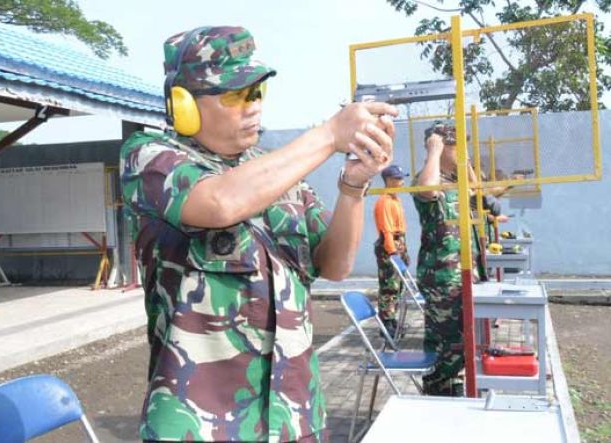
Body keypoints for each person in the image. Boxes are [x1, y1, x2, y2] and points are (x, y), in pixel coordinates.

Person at [120, 26, 397, 442]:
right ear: (183, 104)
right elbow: (219, 203)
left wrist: (353, 186)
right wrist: (327, 134)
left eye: (256, 93)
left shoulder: (277, 172)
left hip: (293, 416)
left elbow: (336, 265)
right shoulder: (149, 158)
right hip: (200, 424)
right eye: (234, 96)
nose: (252, 107)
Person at [412, 121, 481, 397]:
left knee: (460, 342)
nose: (463, 152)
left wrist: (464, 162)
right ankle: (440, 395)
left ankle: (452, 390)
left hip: (461, 274)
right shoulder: (427, 177)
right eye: (458, 146)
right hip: (441, 276)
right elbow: (428, 190)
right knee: (446, 344)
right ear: (442, 146)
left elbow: (477, 191)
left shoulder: (455, 180)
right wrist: (434, 151)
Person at [373, 164, 410, 337]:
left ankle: (392, 320)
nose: (402, 182)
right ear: (389, 180)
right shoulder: (384, 201)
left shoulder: (395, 199)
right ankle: (386, 323)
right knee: (389, 286)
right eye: (398, 178)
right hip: (391, 244)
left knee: (398, 285)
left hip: (398, 242)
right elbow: (386, 228)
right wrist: (392, 250)